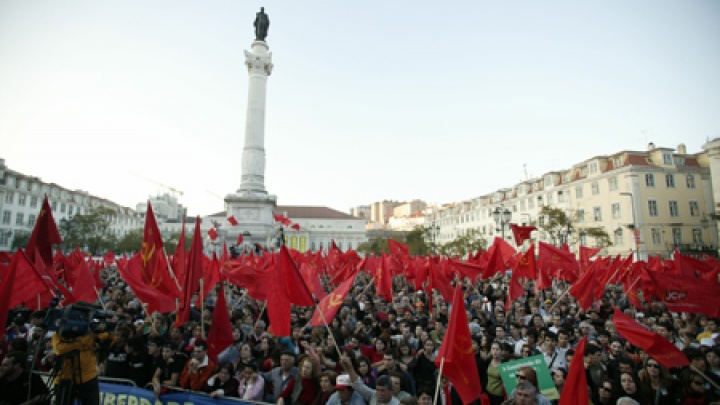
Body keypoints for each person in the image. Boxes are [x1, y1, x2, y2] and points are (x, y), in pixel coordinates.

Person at [52, 331, 100, 405]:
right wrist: (80, 343)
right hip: (64, 376)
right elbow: (59, 350)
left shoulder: (89, 332)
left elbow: (105, 338)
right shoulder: (58, 333)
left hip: (88, 376)